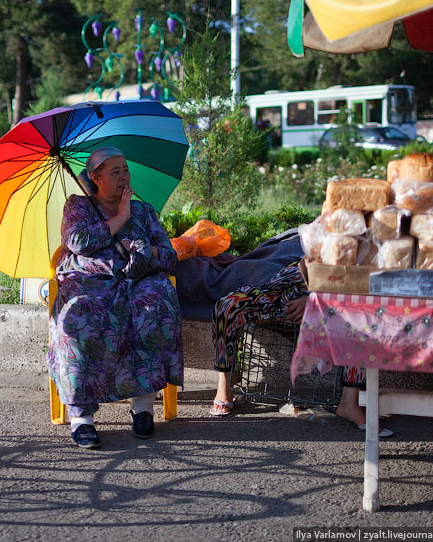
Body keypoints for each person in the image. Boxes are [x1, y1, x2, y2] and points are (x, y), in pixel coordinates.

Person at [48, 146, 183, 449]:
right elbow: (79, 242)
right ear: (95, 178)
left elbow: (170, 257)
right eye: (115, 171)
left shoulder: (145, 210)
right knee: (81, 317)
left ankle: (143, 406)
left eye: (125, 170)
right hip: (89, 283)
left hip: (137, 280)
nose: (124, 177)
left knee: (156, 306)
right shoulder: (78, 207)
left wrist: (146, 252)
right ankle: (81, 416)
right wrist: (121, 217)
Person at [208, 260, 393, 437]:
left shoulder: (374, 246)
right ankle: (225, 383)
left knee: (363, 323)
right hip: (288, 291)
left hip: (336, 301)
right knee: (227, 306)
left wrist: (316, 300)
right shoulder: (330, 235)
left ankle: (349, 404)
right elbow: (305, 264)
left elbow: (367, 284)